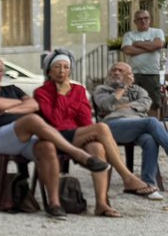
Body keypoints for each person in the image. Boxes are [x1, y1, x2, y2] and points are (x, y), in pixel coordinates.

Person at [0, 55, 112, 219]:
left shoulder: (12, 89)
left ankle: (54, 204)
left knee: (47, 147)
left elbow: (34, 105)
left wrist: (6, 110)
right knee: (32, 119)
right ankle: (79, 154)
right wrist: (19, 105)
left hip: (25, 136)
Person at [33, 49, 156, 216]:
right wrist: (61, 96)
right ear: (49, 70)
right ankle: (127, 177)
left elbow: (84, 121)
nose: (62, 71)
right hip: (55, 137)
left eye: (66, 67)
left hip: (76, 135)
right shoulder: (41, 92)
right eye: (57, 67)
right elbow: (55, 121)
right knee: (101, 127)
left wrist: (71, 100)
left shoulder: (77, 90)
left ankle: (102, 204)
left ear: (70, 70)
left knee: (97, 147)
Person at [93, 60, 168, 198]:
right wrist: (122, 88)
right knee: (151, 121)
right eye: (114, 70)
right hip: (112, 127)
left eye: (120, 70)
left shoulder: (138, 90)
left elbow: (146, 103)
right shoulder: (102, 89)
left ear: (130, 75)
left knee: (149, 139)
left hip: (138, 125)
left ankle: (147, 184)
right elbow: (106, 105)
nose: (116, 72)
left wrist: (124, 106)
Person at [121, 9, 164, 116]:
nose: (143, 21)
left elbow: (158, 45)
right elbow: (127, 50)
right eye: (139, 19)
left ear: (150, 20)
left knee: (153, 103)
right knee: (133, 102)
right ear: (135, 21)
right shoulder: (129, 35)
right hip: (133, 75)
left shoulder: (157, 32)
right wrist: (150, 47)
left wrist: (138, 43)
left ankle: (153, 126)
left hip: (152, 73)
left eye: (146, 18)